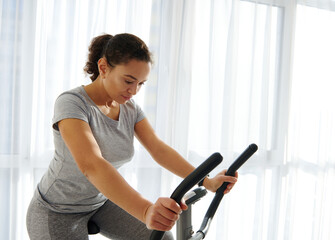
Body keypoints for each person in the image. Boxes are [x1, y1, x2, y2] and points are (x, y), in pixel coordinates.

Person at [26, 33, 238, 240]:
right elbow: (92, 165)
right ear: (103, 68)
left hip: (100, 203)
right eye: (128, 81)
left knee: (161, 237)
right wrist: (146, 210)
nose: (134, 91)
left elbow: (158, 149)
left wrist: (207, 182)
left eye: (141, 83)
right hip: (56, 210)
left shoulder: (129, 108)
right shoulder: (72, 103)